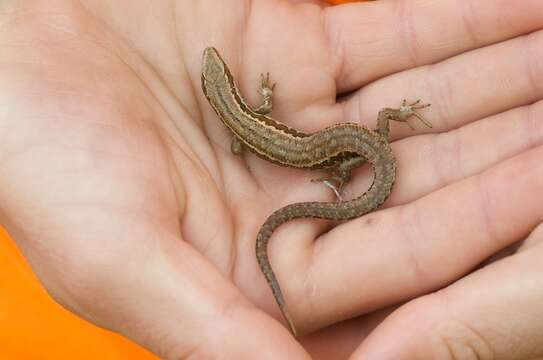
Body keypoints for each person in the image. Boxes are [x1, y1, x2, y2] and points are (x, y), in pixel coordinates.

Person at [1, 1, 542, 359]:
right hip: (340, 150)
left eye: (217, 73)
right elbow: (257, 114)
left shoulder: (240, 125)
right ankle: (386, 133)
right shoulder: (250, 109)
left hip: (330, 157)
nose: (213, 66)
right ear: (226, 92)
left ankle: (343, 180)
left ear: (223, 95)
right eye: (217, 76)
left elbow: (244, 136)